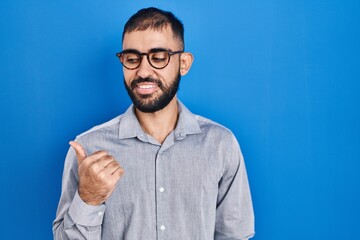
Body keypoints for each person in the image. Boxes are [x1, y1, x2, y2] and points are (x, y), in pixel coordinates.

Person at [53, 7, 255, 240]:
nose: (143, 71)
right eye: (131, 59)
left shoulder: (220, 144)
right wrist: (89, 198)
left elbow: (234, 235)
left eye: (158, 57)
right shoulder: (88, 149)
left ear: (184, 63)